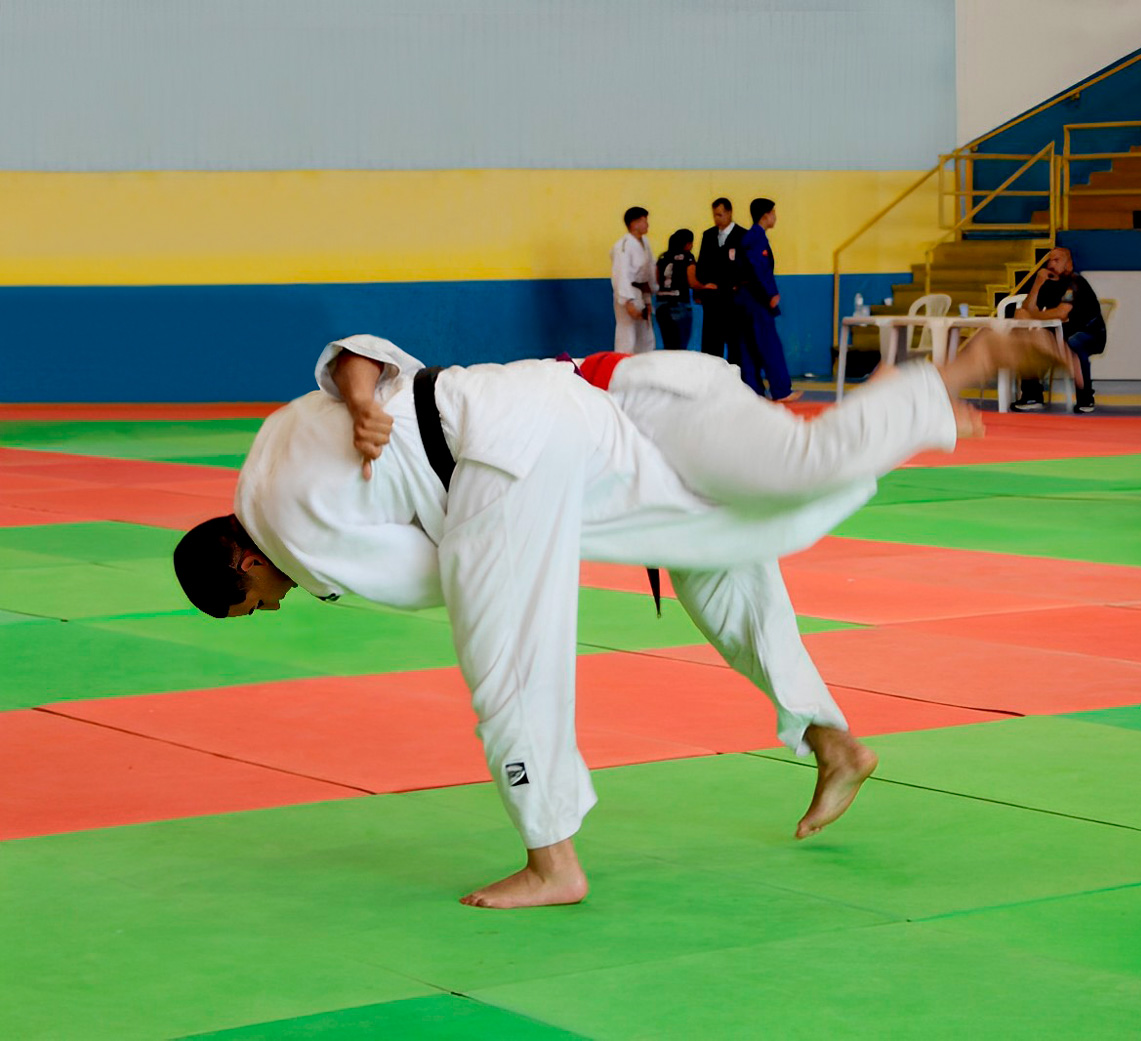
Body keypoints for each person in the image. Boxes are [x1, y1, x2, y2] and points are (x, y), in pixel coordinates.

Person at [173, 330, 1074, 910]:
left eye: (259, 600)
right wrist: (367, 400)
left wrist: (526, 555)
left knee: (505, 659)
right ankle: (832, 735)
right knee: (719, 556)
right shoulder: (268, 444)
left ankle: (552, 858)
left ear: (245, 562)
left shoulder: (292, 536)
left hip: (525, 447)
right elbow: (358, 358)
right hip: (563, 416)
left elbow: (437, 576)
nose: (278, 603)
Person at [1010, 246, 1106, 414]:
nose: (1051, 264)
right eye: (1049, 260)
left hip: (1090, 332)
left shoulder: (1075, 283)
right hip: (1062, 331)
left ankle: (1086, 398)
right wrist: (1037, 284)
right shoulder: (1049, 284)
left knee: (1074, 342)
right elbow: (1026, 309)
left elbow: (1062, 312)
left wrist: (1031, 316)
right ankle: (1032, 395)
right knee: (1024, 343)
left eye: (1057, 260)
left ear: (1068, 264)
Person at [736, 197, 799, 402]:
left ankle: (753, 391)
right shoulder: (756, 238)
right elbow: (760, 269)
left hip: (746, 299)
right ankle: (781, 390)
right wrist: (770, 294)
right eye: (773, 212)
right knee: (768, 343)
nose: (775, 217)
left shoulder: (749, 237)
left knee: (750, 346)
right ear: (766, 215)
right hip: (756, 300)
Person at [694, 197, 746, 365]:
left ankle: (736, 382)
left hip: (734, 299)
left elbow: (746, 267)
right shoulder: (708, 235)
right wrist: (702, 287)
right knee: (711, 345)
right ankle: (711, 380)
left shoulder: (742, 236)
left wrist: (738, 285)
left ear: (730, 213)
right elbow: (701, 265)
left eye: (720, 215)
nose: (717, 219)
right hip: (713, 299)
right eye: (715, 215)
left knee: (735, 344)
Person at [654, 229, 715, 350]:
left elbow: (655, 281)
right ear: (687, 244)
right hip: (679, 303)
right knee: (680, 347)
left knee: (668, 346)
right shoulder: (688, 257)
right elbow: (692, 281)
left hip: (661, 305)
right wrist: (705, 286)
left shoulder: (662, 257)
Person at [609, 206, 657, 354]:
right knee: (627, 337)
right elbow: (620, 274)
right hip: (628, 294)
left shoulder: (645, 243)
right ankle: (623, 371)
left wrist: (648, 300)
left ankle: (645, 370)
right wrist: (628, 302)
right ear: (634, 223)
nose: (647, 224)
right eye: (644, 221)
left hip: (641, 293)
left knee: (646, 338)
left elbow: (649, 272)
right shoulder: (623, 245)